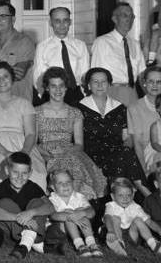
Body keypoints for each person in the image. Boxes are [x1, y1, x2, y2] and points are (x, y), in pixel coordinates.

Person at [34, 67, 107, 201]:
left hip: (69, 152)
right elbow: (33, 143)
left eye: (61, 86)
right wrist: (47, 154)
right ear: (47, 88)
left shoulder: (75, 112)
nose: (58, 90)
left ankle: (78, 204)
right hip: (45, 154)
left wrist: (65, 154)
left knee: (72, 165)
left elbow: (79, 144)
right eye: (53, 86)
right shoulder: (36, 112)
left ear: (66, 88)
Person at [79, 67, 148, 192]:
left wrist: (125, 148)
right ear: (88, 85)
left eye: (104, 81)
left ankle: (137, 195)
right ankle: (146, 193)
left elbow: (127, 137)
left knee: (124, 155)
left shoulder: (120, 108)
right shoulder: (78, 108)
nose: (100, 85)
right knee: (123, 158)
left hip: (116, 153)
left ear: (109, 84)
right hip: (90, 155)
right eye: (95, 82)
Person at [0, 62, 39, 189]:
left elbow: (31, 133)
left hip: (23, 145)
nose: (2, 81)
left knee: (37, 174)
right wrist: (5, 153)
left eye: (6, 76)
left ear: (12, 79)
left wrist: (24, 153)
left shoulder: (24, 103)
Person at [0, 151, 51, 258]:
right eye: (15, 172)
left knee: (38, 203)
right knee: (5, 203)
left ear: (30, 173)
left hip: (29, 229)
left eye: (24, 173)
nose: (19, 177)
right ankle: (34, 242)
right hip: (9, 235)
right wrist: (19, 217)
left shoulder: (33, 187)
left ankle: (25, 245)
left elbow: (50, 207)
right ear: (7, 170)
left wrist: (31, 212)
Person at [89, 2, 144, 107]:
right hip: (111, 91)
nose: (129, 19)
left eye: (132, 16)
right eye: (124, 15)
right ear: (114, 19)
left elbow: (141, 73)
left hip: (132, 92)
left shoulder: (135, 44)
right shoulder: (102, 42)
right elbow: (95, 73)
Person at [32, 7, 89, 107]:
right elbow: (38, 76)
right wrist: (43, 97)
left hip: (75, 93)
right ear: (51, 23)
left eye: (65, 20)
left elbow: (85, 73)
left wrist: (84, 96)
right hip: (53, 94)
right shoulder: (43, 47)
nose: (62, 25)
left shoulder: (80, 45)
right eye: (57, 21)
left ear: (70, 22)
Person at [127, 66, 161, 177]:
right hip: (151, 154)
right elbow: (138, 143)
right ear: (144, 83)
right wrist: (143, 169)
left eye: (159, 82)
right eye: (151, 81)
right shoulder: (134, 108)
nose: (154, 85)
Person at [47, 168, 102, 257]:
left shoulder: (79, 197)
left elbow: (91, 212)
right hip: (58, 231)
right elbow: (53, 216)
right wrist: (72, 216)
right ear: (53, 187)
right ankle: (80, 245)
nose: (65, 185)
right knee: (69, 218)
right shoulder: (52, 199)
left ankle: (91, 243)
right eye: (60, 183)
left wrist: (81, 213)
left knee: (82, 212)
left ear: (73, 183)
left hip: (79, 228)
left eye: (68, 182)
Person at [102, 177, 160, 256]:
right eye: (121, 195)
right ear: (113, 196)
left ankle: (153, 244)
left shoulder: (135, 207)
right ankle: (118, 243)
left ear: (133, 195)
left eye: (128, 195)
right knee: (115, 218)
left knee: (138, 220)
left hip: (131, 235)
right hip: (113, 233)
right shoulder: (111, 206)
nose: (125, 198)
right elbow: (107, 218)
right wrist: (110, 230)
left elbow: (149, 222)